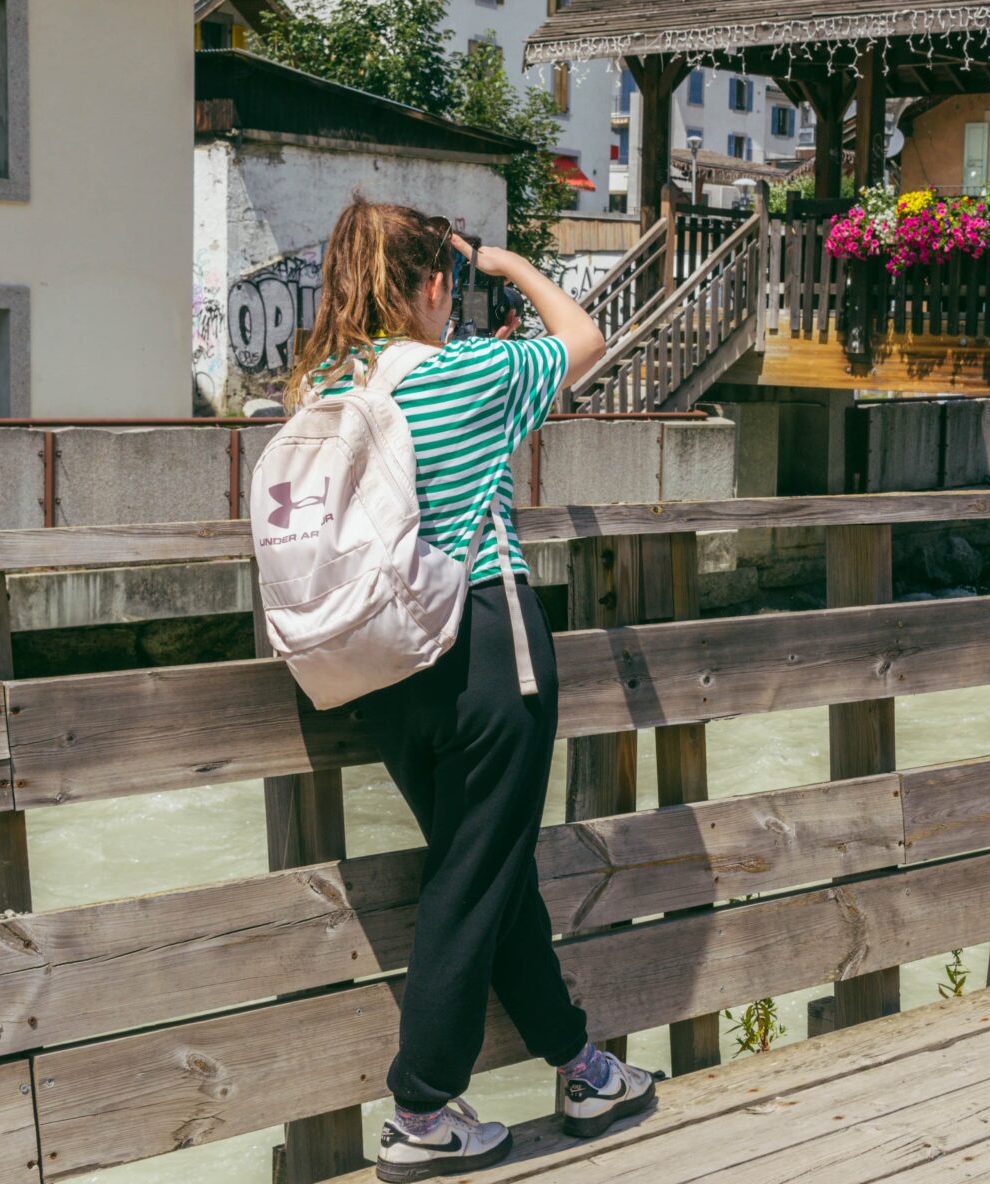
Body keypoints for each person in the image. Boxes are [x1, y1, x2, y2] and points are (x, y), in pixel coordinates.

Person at [284, 196, 655, 1180]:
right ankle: (419, 1105)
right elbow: (585, 337)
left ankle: (580, 1064)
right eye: (451, 281)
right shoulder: (468, 372)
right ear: (437, 283)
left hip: (374, 664)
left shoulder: (322, 385)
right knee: (475, 872)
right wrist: (512, 263)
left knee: (488, 867)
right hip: (485, 640)